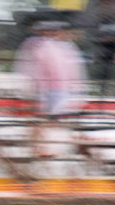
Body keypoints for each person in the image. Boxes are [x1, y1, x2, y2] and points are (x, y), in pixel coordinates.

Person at [13, 21, 86, 157]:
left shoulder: (66, 46)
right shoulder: (36, 44)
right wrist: (29, 85)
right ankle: (40, 147)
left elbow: (74, 69)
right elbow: (29, 67)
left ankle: (47, 146)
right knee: (45, 119)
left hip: (59, 89)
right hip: (44, 89)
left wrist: (76, 88)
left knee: (53, 119)